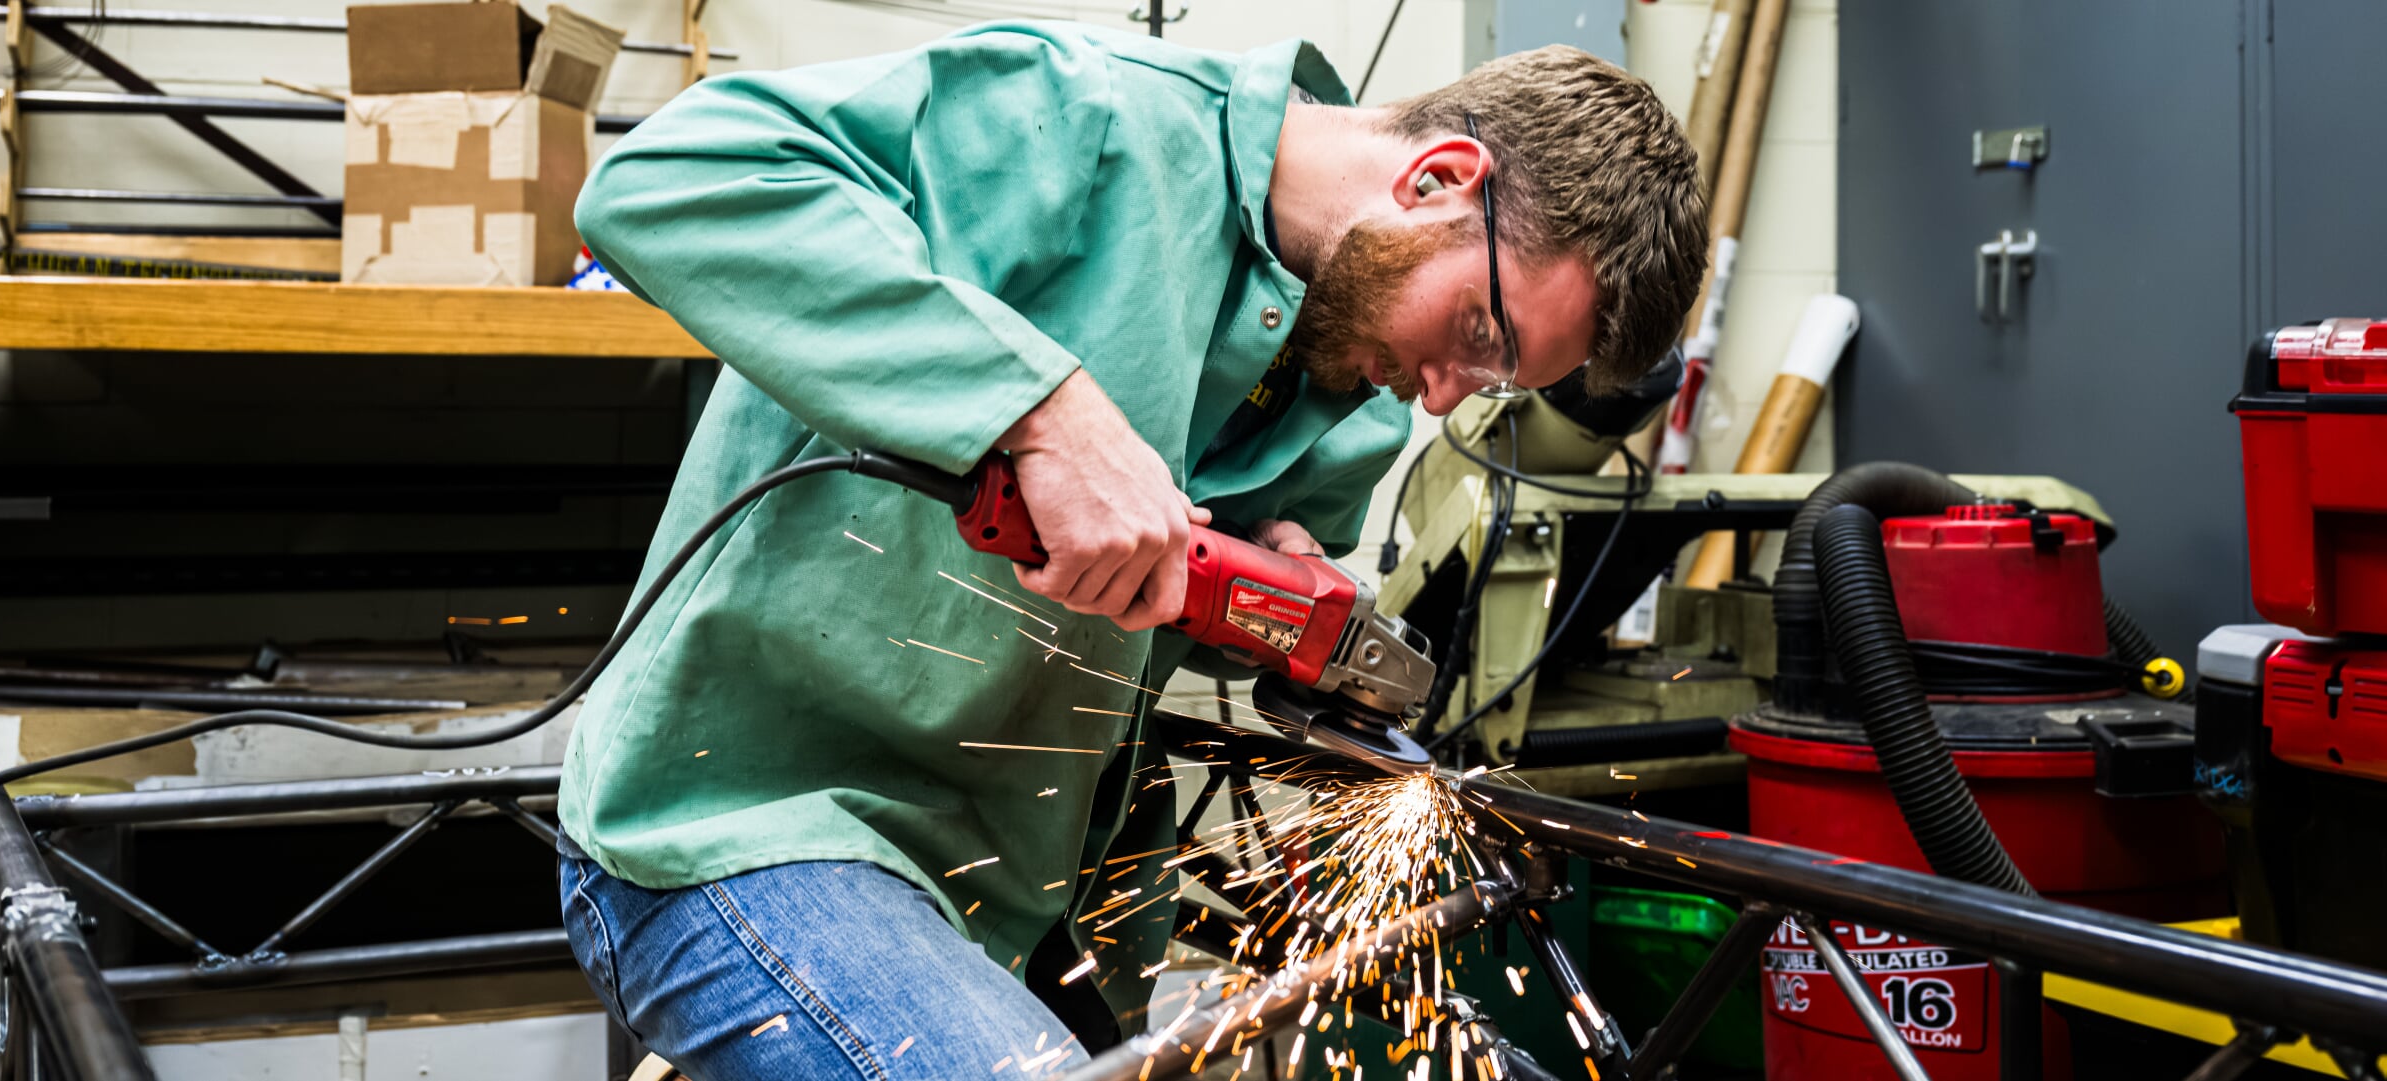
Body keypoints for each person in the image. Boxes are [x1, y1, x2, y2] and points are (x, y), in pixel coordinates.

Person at [556, 19, 1704, 1080]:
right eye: (1476, 333)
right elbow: (670, 179)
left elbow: (1141, 605)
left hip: (1032, 910)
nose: (1445, 397)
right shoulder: (1082, 116)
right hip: (750, 833)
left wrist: (1272, 598)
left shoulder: (1355, 400)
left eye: (1494, 379)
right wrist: (1041, 408)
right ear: (1439, 180)